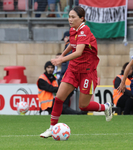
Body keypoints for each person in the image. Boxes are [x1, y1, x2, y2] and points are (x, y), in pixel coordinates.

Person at [40, 6, 112, 138]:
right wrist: (62, 55)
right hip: (73, 70)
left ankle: (105, 107)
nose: (70, 19)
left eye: (73, 17)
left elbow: (78, 52)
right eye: (69, 17)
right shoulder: (73, 30)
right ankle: (51, 128)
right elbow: (71, 45)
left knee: (83, 106)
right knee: (59, 99)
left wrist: (61, 60)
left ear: (82, 18)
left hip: (87, 72)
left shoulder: (85, 30)